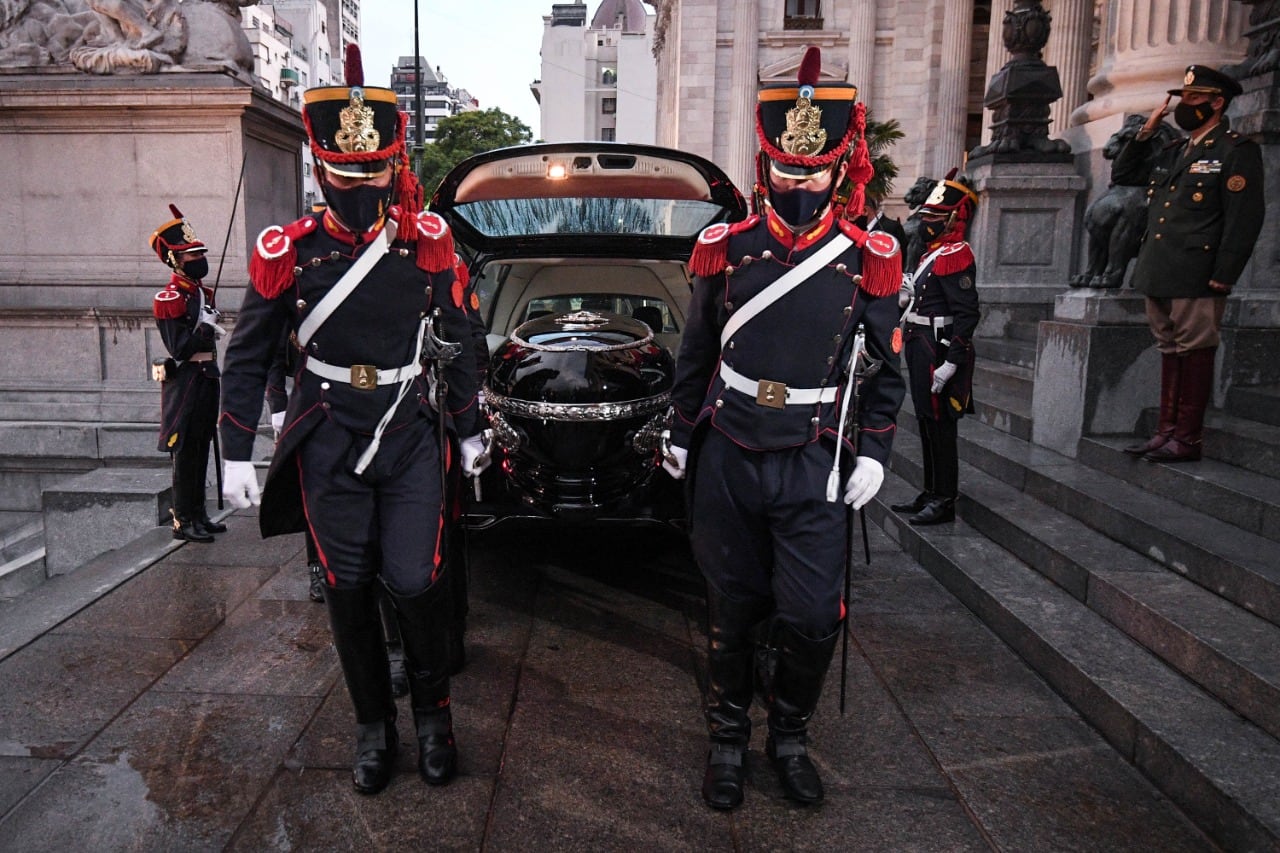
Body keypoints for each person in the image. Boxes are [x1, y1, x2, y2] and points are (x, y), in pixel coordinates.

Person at [218, 45, 488, 795]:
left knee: (415, 577)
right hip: (329, 434)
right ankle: (374, 727)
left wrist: (467, 427)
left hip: (405, 429)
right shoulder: (290, 252)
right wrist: (235, 447)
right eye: (347, 171)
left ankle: (435, 716)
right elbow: (248, 353)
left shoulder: (425, 242)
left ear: (393, 165)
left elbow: (459, 338)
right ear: (319, 165)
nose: (361, 185)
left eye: (375, 172)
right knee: (348, 583)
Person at [664, 46, 905, 810]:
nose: (800, 184)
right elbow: (697, 350)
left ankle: (790, 734)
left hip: (813, 457)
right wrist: (677, 426)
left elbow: (886, 370)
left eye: (815, 171)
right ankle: (729, 738)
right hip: (731, 448)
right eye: (787, 170)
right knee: (730, 608)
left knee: (810, 613)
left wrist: (877, 449)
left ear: (841, 167)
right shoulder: (725, 250)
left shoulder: (866, 258)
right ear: (765, 164)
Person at [1117, 64, 1265, 463]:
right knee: (1169, 347)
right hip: (1161, 268)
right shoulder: (1173, 150)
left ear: (1217, 103)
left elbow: (1244, 216)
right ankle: (1166, 432)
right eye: (1183, 98)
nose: (1184, 105)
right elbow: (1123, 173)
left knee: (1195, 348)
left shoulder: (1235, 150)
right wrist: (1146, 130)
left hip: (1197, 272)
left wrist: (1224, 274)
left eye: (1194, 98)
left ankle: (1187, 438)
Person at [890, 171, 981, 526]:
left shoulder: (957, 253)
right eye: (924, 218)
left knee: (941, 425)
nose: (925, 224)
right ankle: (931, 492)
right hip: (919, 343)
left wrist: (953, 362)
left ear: (954, 219)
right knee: (927, 423)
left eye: (933, 219)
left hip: (939, 349)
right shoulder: (934, 253)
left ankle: (944, 499)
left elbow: (967, 313)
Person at [149, 205, 227, 543]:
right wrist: (207, 330)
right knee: (186, 452)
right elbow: (179, 348)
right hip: (187, 381)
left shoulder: (199, 293)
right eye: (192, 254)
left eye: (199, 252)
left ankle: (199, 513)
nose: (199, 258)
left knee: (203, 445)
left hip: (207, 376)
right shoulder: (170, 298)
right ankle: (182, 519)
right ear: (175, 260)